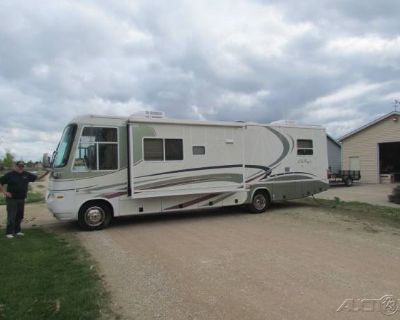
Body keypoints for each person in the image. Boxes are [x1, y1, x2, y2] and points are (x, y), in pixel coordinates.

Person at [0, 161, 49, 238]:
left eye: (22, 166)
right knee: (11, 216)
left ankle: (17, 231)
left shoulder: (26, 174)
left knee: (19, 216)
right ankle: (9, 232)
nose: (21, 167)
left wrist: (47, 172)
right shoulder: (10, 175)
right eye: (19, 166)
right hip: (12, 199)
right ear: (15, 166)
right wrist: (5, 192)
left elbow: (37, 178)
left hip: (21, 198)